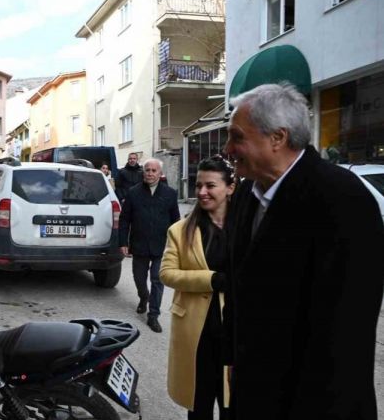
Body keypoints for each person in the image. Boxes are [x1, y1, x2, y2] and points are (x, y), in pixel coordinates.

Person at [223, 83, 384, 420]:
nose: (227, 148)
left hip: (315, 404)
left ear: (277, 138)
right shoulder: (244, 196)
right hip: (254, 395)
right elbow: (241, 290)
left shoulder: (342, 200)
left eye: (237, 137)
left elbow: (345, 333)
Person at [160, 155, 235, 419]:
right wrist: (211, 279)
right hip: (197, 334)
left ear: (230, 188)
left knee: (232, 406)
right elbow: (167, 274)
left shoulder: (247, 227)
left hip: (235, 332)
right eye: (198, 185)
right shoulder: (181, 230)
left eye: (210, 185)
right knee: (199, 406)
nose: (202, 192)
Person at [119, 158, 180, 332]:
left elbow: (176, 221)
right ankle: (143, 297)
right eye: (147, 170)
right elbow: (124, 220)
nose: (150, 173)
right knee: (139, 279)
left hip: (161, 245)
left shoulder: (170, 193)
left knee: (157, 280)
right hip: (139, 245)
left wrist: (177, 244)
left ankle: (153, 315)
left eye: (154, 171)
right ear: (143, 172)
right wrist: (123, 242)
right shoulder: (133, 192)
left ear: (160, 174)